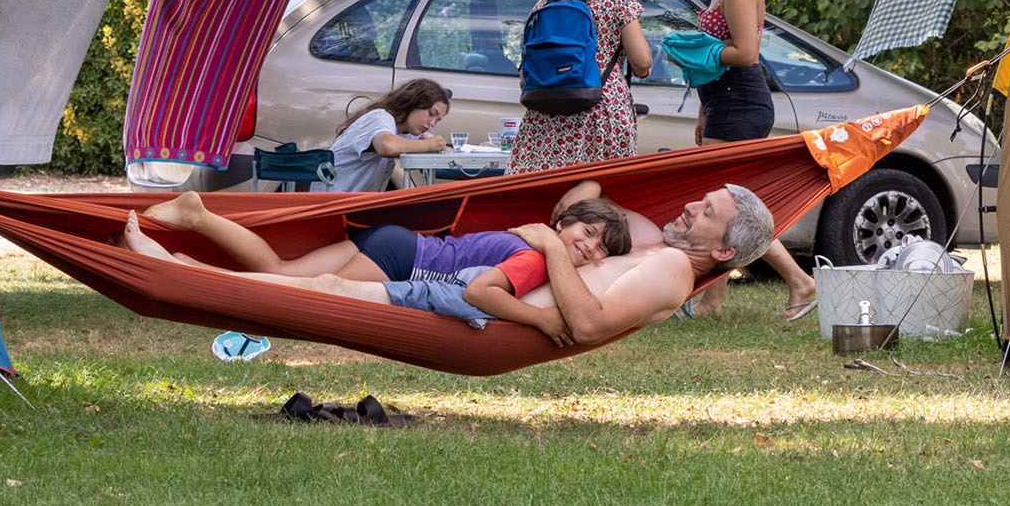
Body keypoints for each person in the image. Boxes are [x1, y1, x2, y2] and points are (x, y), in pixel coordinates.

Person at [119, 187, 639, 329]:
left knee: (277, 272)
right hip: (401, 259)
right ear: (563, 223)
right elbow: (483, 294)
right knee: (298, 290)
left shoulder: (533, 242)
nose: (589, 247)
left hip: (396, 243)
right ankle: (183, 268)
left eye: (599, 249)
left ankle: (198, 216)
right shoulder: (537, 254)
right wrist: (544, 319)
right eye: (588, 233)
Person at [686, 0, 818, 320]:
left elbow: (745, 53)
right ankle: (712, 299)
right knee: (727, 205)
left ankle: (800, 282)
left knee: (731, 207)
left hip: (742, 100)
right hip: (723, 100)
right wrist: (704, 108)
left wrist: (697, 52)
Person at [458, 184, 779, 347]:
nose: (690, 207)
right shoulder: (652, 239)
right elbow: (589, 202)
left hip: (479, 313)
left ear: (723, 252)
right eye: (702, 199)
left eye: (707, 212)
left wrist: (553, 247)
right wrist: (590, 185)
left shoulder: (674, 267)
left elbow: (588, 327)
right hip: (475, 275)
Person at [509, 0, 652, 175]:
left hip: (546, 117)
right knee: (599, 194)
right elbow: (641, 62)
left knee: (546, 193)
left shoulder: (544, 3)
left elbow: (525, 77)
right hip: (601, 111)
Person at [327, 78, 452, 192]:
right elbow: (387, 146)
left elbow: (410, 139)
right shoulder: (380, 118)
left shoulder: (404, 129)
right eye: (431, 113)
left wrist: (427, 138)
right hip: (329, 203)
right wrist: (427, 145)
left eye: (437, 120)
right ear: (413, 102)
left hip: (354, 204)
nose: (432, 123)